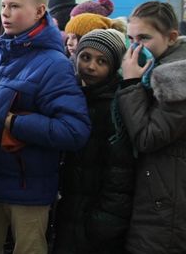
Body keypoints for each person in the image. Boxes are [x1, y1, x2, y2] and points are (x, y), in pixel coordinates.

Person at [0, 0, 90, 254]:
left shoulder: (53, 64)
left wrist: (14, 123)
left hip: (27, 187)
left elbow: (73, 130)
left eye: (15, 6)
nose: (6, 13)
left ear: (39, 11)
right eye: (3, 6)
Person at [53, 29, 134, 254]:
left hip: (97, 219)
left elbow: (120, 174)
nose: (90, 66)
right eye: (85, 57)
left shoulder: (115, 106)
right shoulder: (70, 96)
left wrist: (104, 222)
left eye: (102, 61)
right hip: (70, 209)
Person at [116, 1, 186, 254]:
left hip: (166, 199)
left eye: (144, 38)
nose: (135, 46)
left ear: (171, 38)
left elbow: (147, 137)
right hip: (156, 187)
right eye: (131, 38)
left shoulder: (176, 79)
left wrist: (131, 84)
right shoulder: (153, 68)